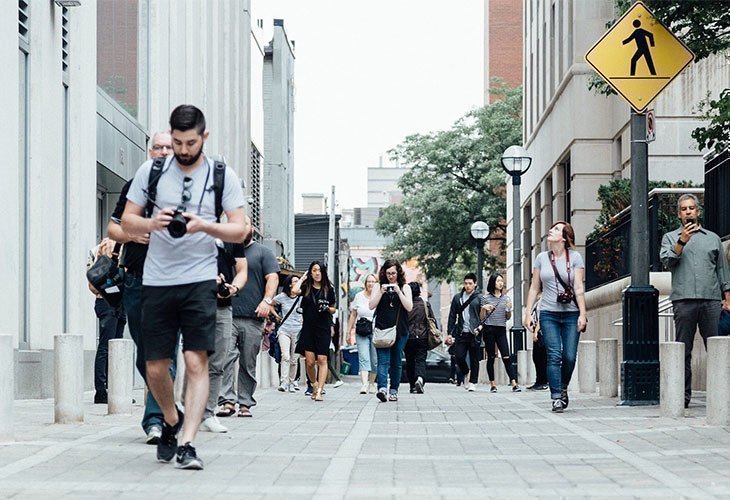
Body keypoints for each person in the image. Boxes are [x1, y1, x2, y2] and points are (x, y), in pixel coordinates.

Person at [122, 104, 247, 469]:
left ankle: (188, 443)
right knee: (155, 366)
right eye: (177, 142)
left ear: (203, 137)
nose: (182, 150)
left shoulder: (222, 175)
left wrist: (205, 226)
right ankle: (171, 420)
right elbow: (126, 221)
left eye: (190, 142)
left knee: (196, 361)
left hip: (199, 279)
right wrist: (152, 223)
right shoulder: (153, 171)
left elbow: (241, 229)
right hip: (158, 280)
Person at [107, 131, 171, 444]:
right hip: (136, 279)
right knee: (144, 356)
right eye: (157, 147)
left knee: (163, 353)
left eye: (167, 147)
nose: (162, 151)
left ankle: (156, 420)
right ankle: (168, 402)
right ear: (149, 152)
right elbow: (112, 228)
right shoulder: (135, 186)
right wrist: (131, 236)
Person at [659, 194, 730, 408]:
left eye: (692, 208)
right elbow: (667, 261)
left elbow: (722, 272)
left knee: (717, 349)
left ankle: (722, 394)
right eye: (684, 209)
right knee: (684, 350)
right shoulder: (670, 238)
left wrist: (727, 299)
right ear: (679, 214)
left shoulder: (713, 238)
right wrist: (682, 240)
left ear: (698, 212)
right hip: (684, 301)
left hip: (711, 301)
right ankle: (683, 397)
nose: (688, 211)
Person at [524, 221, 587, 413]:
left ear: (565, 237)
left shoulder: (575, 257)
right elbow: (535, 287)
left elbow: (578, 287)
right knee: (554, 355)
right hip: (548, 313)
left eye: (557, 229)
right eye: (551, 228)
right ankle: (556, 397)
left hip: (571, 314)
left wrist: (583, 314)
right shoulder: (541, 258)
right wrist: (528, 313)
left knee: (568, 357)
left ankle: (563, 386)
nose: (551, 230)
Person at [218, 225, 280, 418]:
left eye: (245, 224)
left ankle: (245, 402)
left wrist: (267, 301)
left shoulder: (263, 252)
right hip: (227, 313)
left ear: (251, 229)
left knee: (248, 361)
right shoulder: (224, 249)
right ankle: (227, 401)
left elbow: (273, 278)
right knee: (225, 358)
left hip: (254, 317)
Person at [199, 239, 247, 433]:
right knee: (195, 360)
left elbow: (242, 270)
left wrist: (232, 288)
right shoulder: (190, 228)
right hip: (194, 304)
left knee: (218, 363)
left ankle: (208, 414)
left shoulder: (231, 235)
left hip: (223, 307)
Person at [87, 238, 127, 404]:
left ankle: (112, 390)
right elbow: (101, 277)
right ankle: (101, 391)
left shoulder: (101, 246)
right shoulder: (108, 246)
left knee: (115, 348)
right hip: (108, 301)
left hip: (115, 301)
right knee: (107, 347)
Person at [291, 261, 337, 401]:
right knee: (310, 362)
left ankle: (320, 391)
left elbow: (334, 308)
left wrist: (327, 308)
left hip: (323, 327)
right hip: (308, 328)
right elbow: (293, 291)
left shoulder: (329, 289)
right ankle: (314, 384)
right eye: (314, 270)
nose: (317, 273)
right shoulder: (306, 287)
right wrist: (303, 278)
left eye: (320, 270)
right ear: (311, 272)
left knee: (322, 359)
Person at [369, 259, 413, 402]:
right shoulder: (378, 286)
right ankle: (382, 388)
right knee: (382, 361)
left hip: (400, 330)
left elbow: (409, 307)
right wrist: (381, 292)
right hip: (382, 329)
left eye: (393, 273)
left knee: (396, 362)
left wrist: (399, 292)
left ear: (398, 273)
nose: (391, 276)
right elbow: (371, 306)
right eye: (388, 273)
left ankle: (393, 390)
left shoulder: (405, 287)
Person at [478, 274, 520, 393]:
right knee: (491, 357)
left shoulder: (506, 298)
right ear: (492, 283)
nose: (501, 283)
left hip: (501, 329)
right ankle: (493, 384)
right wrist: (483, 308)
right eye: (498, 281)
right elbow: (482, 318)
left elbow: (507, 317)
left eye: (502, 281)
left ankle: (514, 383)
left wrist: (509, 310)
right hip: (489, 329)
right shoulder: (485, 298)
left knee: (506, 356)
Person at [446, 273, 483, 392]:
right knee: (459, 356)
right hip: (461, 332)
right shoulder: (458, 298)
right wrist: (449, 333)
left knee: (474, 358)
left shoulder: (480, 297)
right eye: (466, 283)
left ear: (475, 284)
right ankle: (466, 372)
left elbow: (484, 317)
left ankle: (473, 382)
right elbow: (452, 316)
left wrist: (480, 328)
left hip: (475, 332)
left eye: (470, 284)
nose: (468, 286)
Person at [346, 274, 378, 394]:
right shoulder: (359, 296)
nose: (370, 284)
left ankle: (371, 383)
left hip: (376, 331)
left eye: (373, 282)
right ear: (365, 283)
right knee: (364, 357)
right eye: (368, 281)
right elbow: (353, 314)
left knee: (375, 360)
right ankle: (364, 384)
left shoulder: (379, 296)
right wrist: (348, 332)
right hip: (362, 330)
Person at [272, 275, 303, 392]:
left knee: (294, 359)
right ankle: (283, 382)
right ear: (290, 284)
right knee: (285, 356)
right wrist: (276, 316)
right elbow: (270, 303)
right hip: (284, 330)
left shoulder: (302, 298)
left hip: (298, 330)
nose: (297, 283)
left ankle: (291, 382)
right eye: (295, 281)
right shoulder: (282, 297)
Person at [405, 282, 434, 394]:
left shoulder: (406, 305)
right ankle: (420, 379)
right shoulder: (425, 304)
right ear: (419, 291)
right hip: (423, 336)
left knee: (410, 361)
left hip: (408, 337)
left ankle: (412, 385)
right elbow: (432, 319)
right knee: (421, 360)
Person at [526, 299, 548, 391]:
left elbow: (543, 317)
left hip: (543, 331)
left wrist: (536, 331)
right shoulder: (538, 301)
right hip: (538, 330)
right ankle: (539, 381)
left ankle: (544, 382)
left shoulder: (545, 300)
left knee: (542, 358)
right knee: (537, 357)